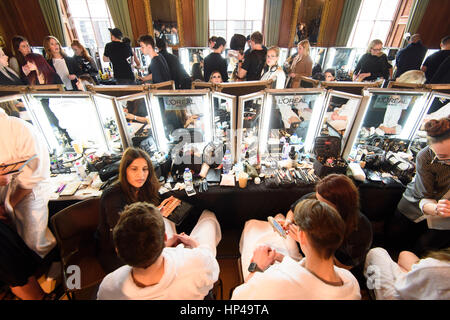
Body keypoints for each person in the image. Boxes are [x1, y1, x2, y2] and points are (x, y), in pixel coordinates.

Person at [231, 199, 361, 300]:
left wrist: (256, 267)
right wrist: (281, 258)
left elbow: (239, 296)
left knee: (252, 227)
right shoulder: (351, 282)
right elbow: (305, 273)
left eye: (297, 226)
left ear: (302, 236)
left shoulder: (273, 284)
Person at [97, 201, 221, 300]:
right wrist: (194, 244)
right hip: (187, 258)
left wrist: (162, 247)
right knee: (208, 219)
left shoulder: (108, 287)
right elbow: (210, 265)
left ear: (118, 250)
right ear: (165, 238)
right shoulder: (198, 264)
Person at [385, 117, 450, 257]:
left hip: (444, 223)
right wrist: (437, 208)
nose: (444, 162)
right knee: (393, 246)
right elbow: (424, 196)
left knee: (424, 253)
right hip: (415, 205)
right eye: (439, 156)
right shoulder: (425, 156)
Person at [0, 108, 57, 260]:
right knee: (12, 243)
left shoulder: (19, 130)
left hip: (29, 192)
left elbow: (32, 176)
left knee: (34, 240)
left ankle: (51, 268)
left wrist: (9, 204)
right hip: (5, 195)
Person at [364, 247, 450, 300]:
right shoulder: (437, 267)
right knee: (405, 255)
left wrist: (404, 272)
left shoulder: (438, 267)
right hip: (422, 289)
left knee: (376, 252)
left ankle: (372, 291)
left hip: (398, 295)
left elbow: (402, 287)